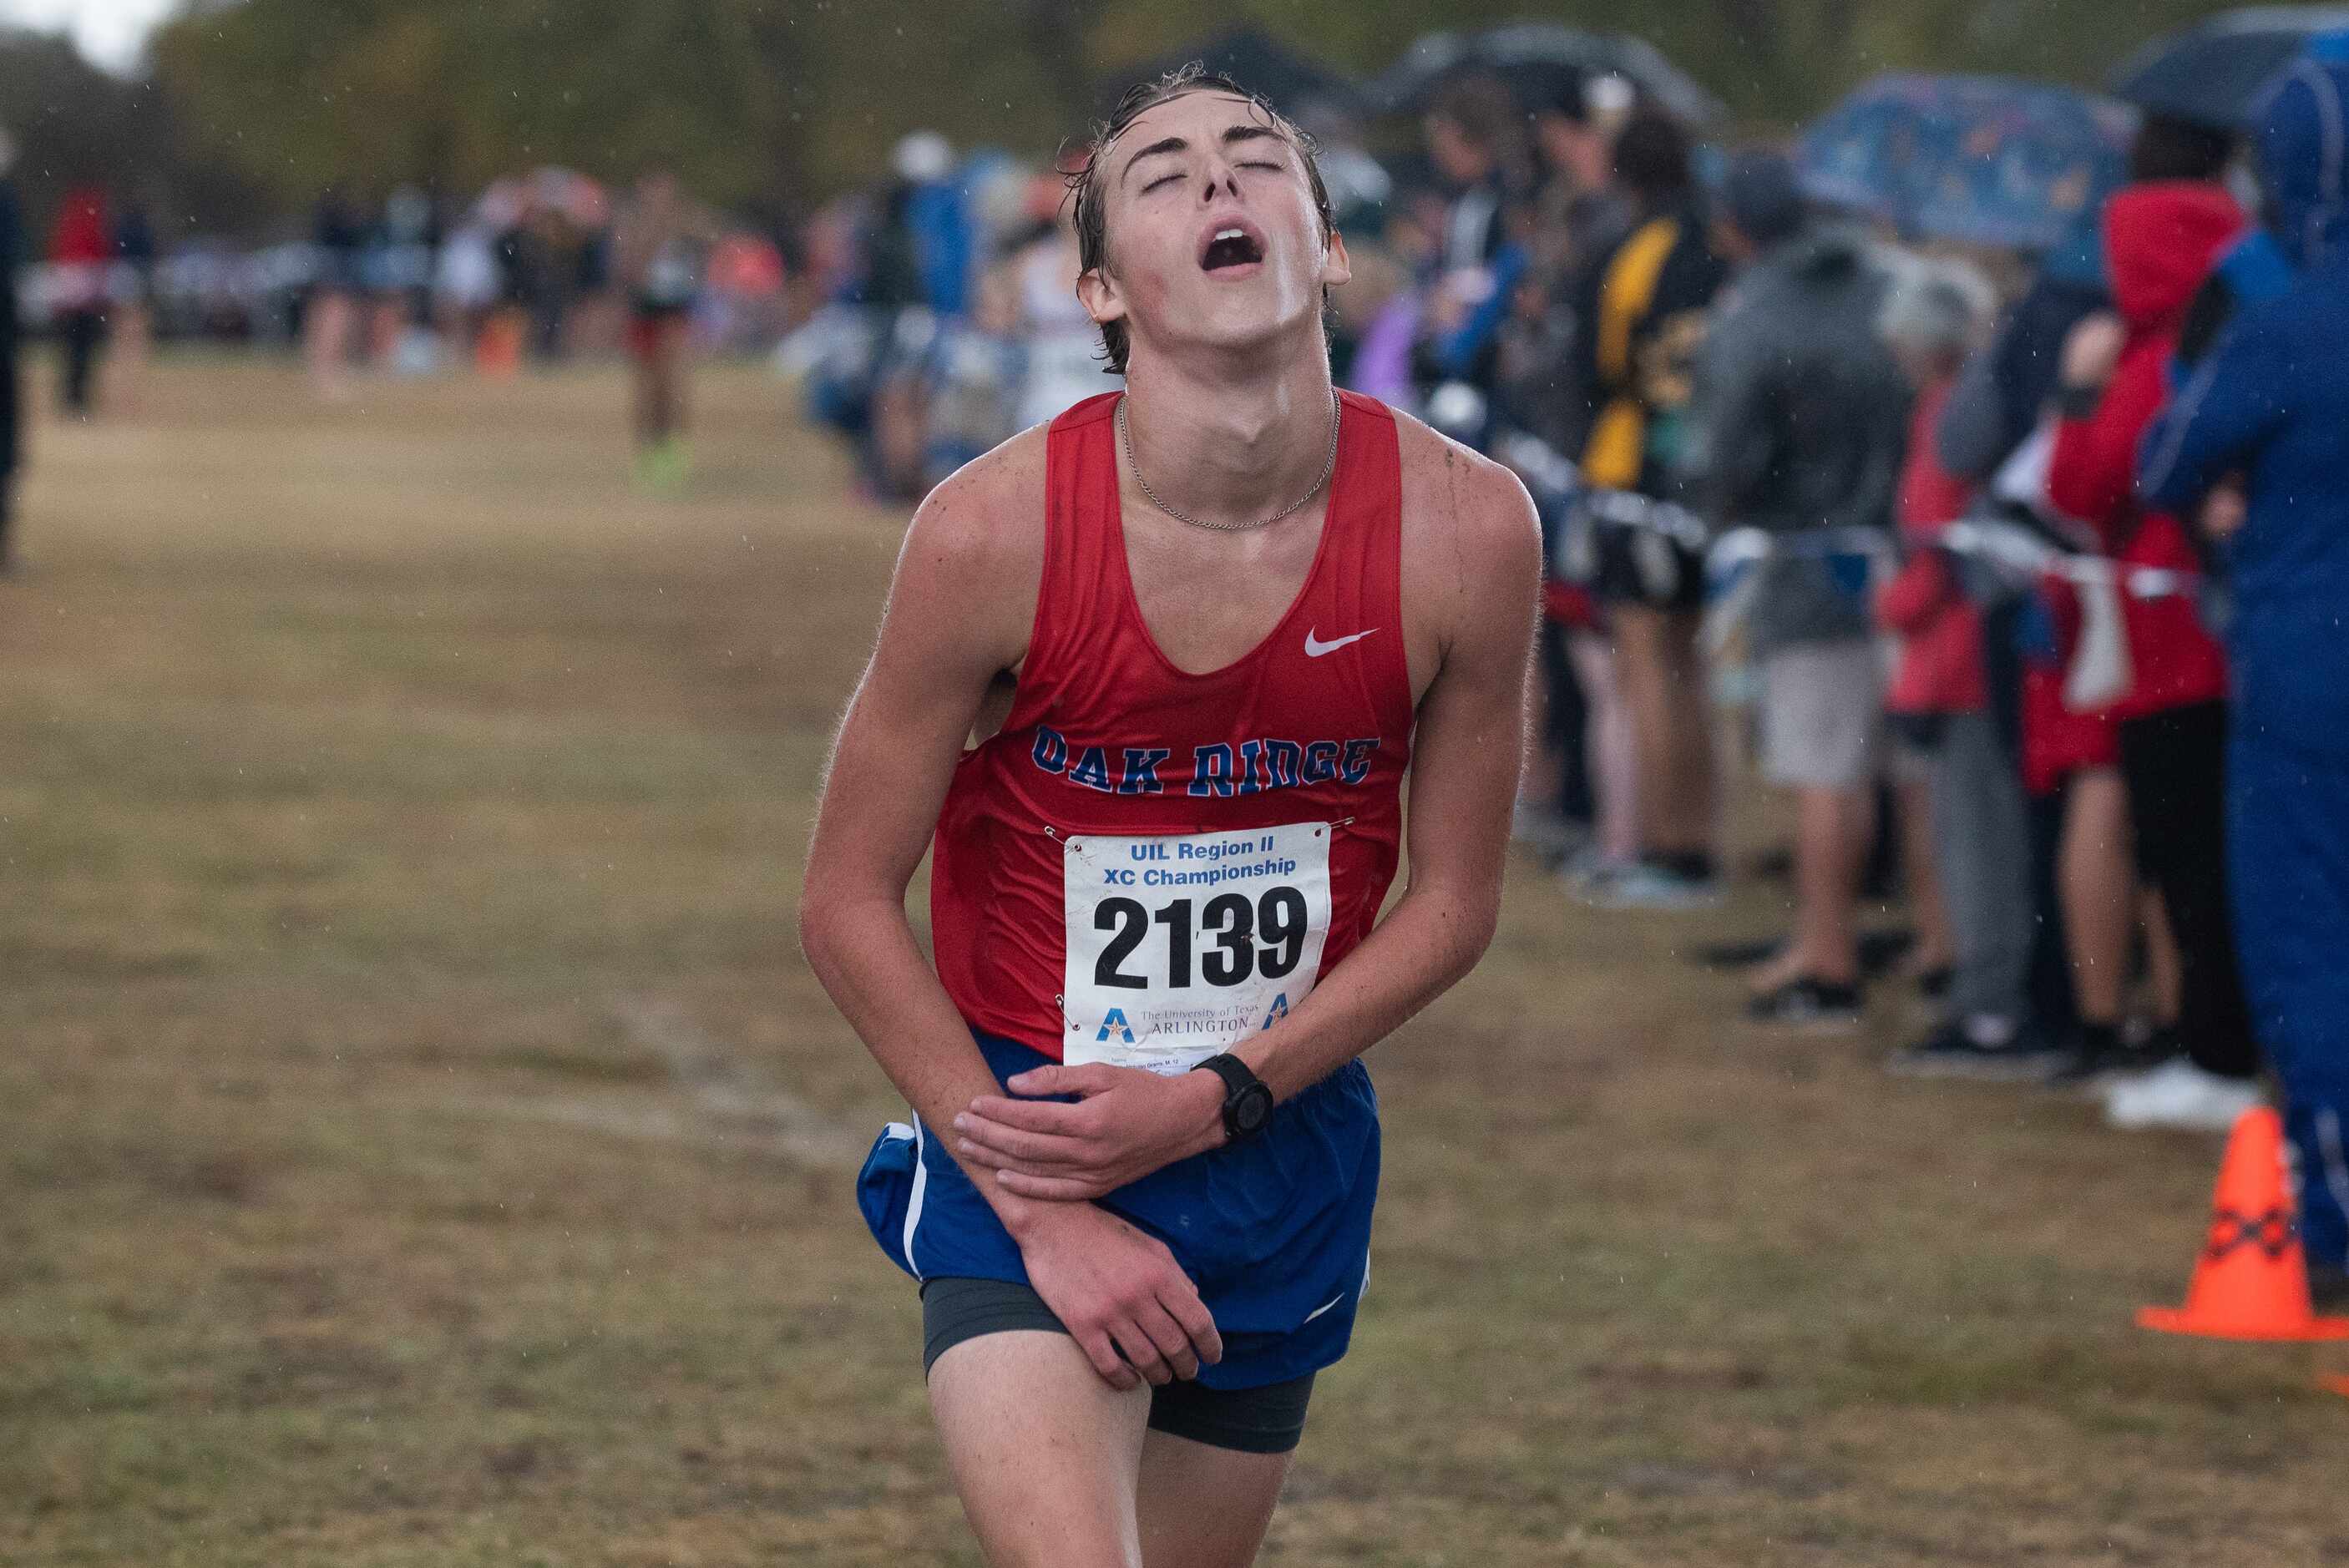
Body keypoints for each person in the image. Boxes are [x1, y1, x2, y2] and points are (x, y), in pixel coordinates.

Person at [801, 66, 1536, 1564]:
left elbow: (1454, 902)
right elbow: (843, 899)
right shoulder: (990, 531)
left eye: (1257, 160)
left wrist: (1218, 1096)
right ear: (1097, 289)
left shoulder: (1469, 527)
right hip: (1030, 1138)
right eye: (1164, 174)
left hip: (1275, 1145)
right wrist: (1039, 1201)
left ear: (1323, 243)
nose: (1219, 185)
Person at [2139, 50, 2349, 1306]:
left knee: (2310, 942)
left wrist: (2238, 501)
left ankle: (2331, 1208)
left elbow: (2168, 458)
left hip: (2306, 677)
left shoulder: (2289, 319)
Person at [2043, 171, 2257, 1129]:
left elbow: (2085, 485)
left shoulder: (2147, 360)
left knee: (2185, 858)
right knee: (2203, 854)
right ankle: (2201, 1038)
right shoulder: (2235, 333)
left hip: (2168, 645)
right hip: (2214, 635)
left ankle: (2209, 1051)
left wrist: (2077, 389)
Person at [1677, 152, 1908, 1028]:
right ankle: (1941, 952)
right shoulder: (1883, 286)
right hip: (1911, 556)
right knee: (1906, 775)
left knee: (1823, 773)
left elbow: (1724, 456)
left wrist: (1721, 507)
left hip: (1811, 561)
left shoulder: (1753, 316)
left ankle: (1826, 957)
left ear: (1734, 228)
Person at [1877, 268, 2060, 1074]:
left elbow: (1942, 544)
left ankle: (1991, 1003)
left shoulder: (1958, 414)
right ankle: (1979, 983)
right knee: (1967, 834)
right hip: (1958, 650)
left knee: (1977, 839)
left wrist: (1891, 603)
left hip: (1962, 655)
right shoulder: (1954, 408)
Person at [1566, 109, 1729, 908]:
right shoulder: (1722, 245)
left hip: (1638, 478)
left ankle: (1670, 853)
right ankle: (1699, 840)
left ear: (1622, 176)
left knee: (1647, 668)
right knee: (1690, 668)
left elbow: (1601, 365)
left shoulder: (1631, 253)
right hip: (1712, 481)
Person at [612, 169, 713, 488]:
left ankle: (674, 457)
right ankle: (648, 455)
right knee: (647, 388)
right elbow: (627, 268)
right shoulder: (633, 223)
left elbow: (712, 243)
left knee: (673, 385)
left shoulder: (688, 219)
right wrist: (655, 235)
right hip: (646, 310)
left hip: (676, 310)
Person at [49, 186, 111, 417]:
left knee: (73, 351)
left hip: (75, 296)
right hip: (83, 297)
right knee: (80, 351)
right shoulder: (89, 221)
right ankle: (76, 397)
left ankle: (73, 396)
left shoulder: (71, 222)